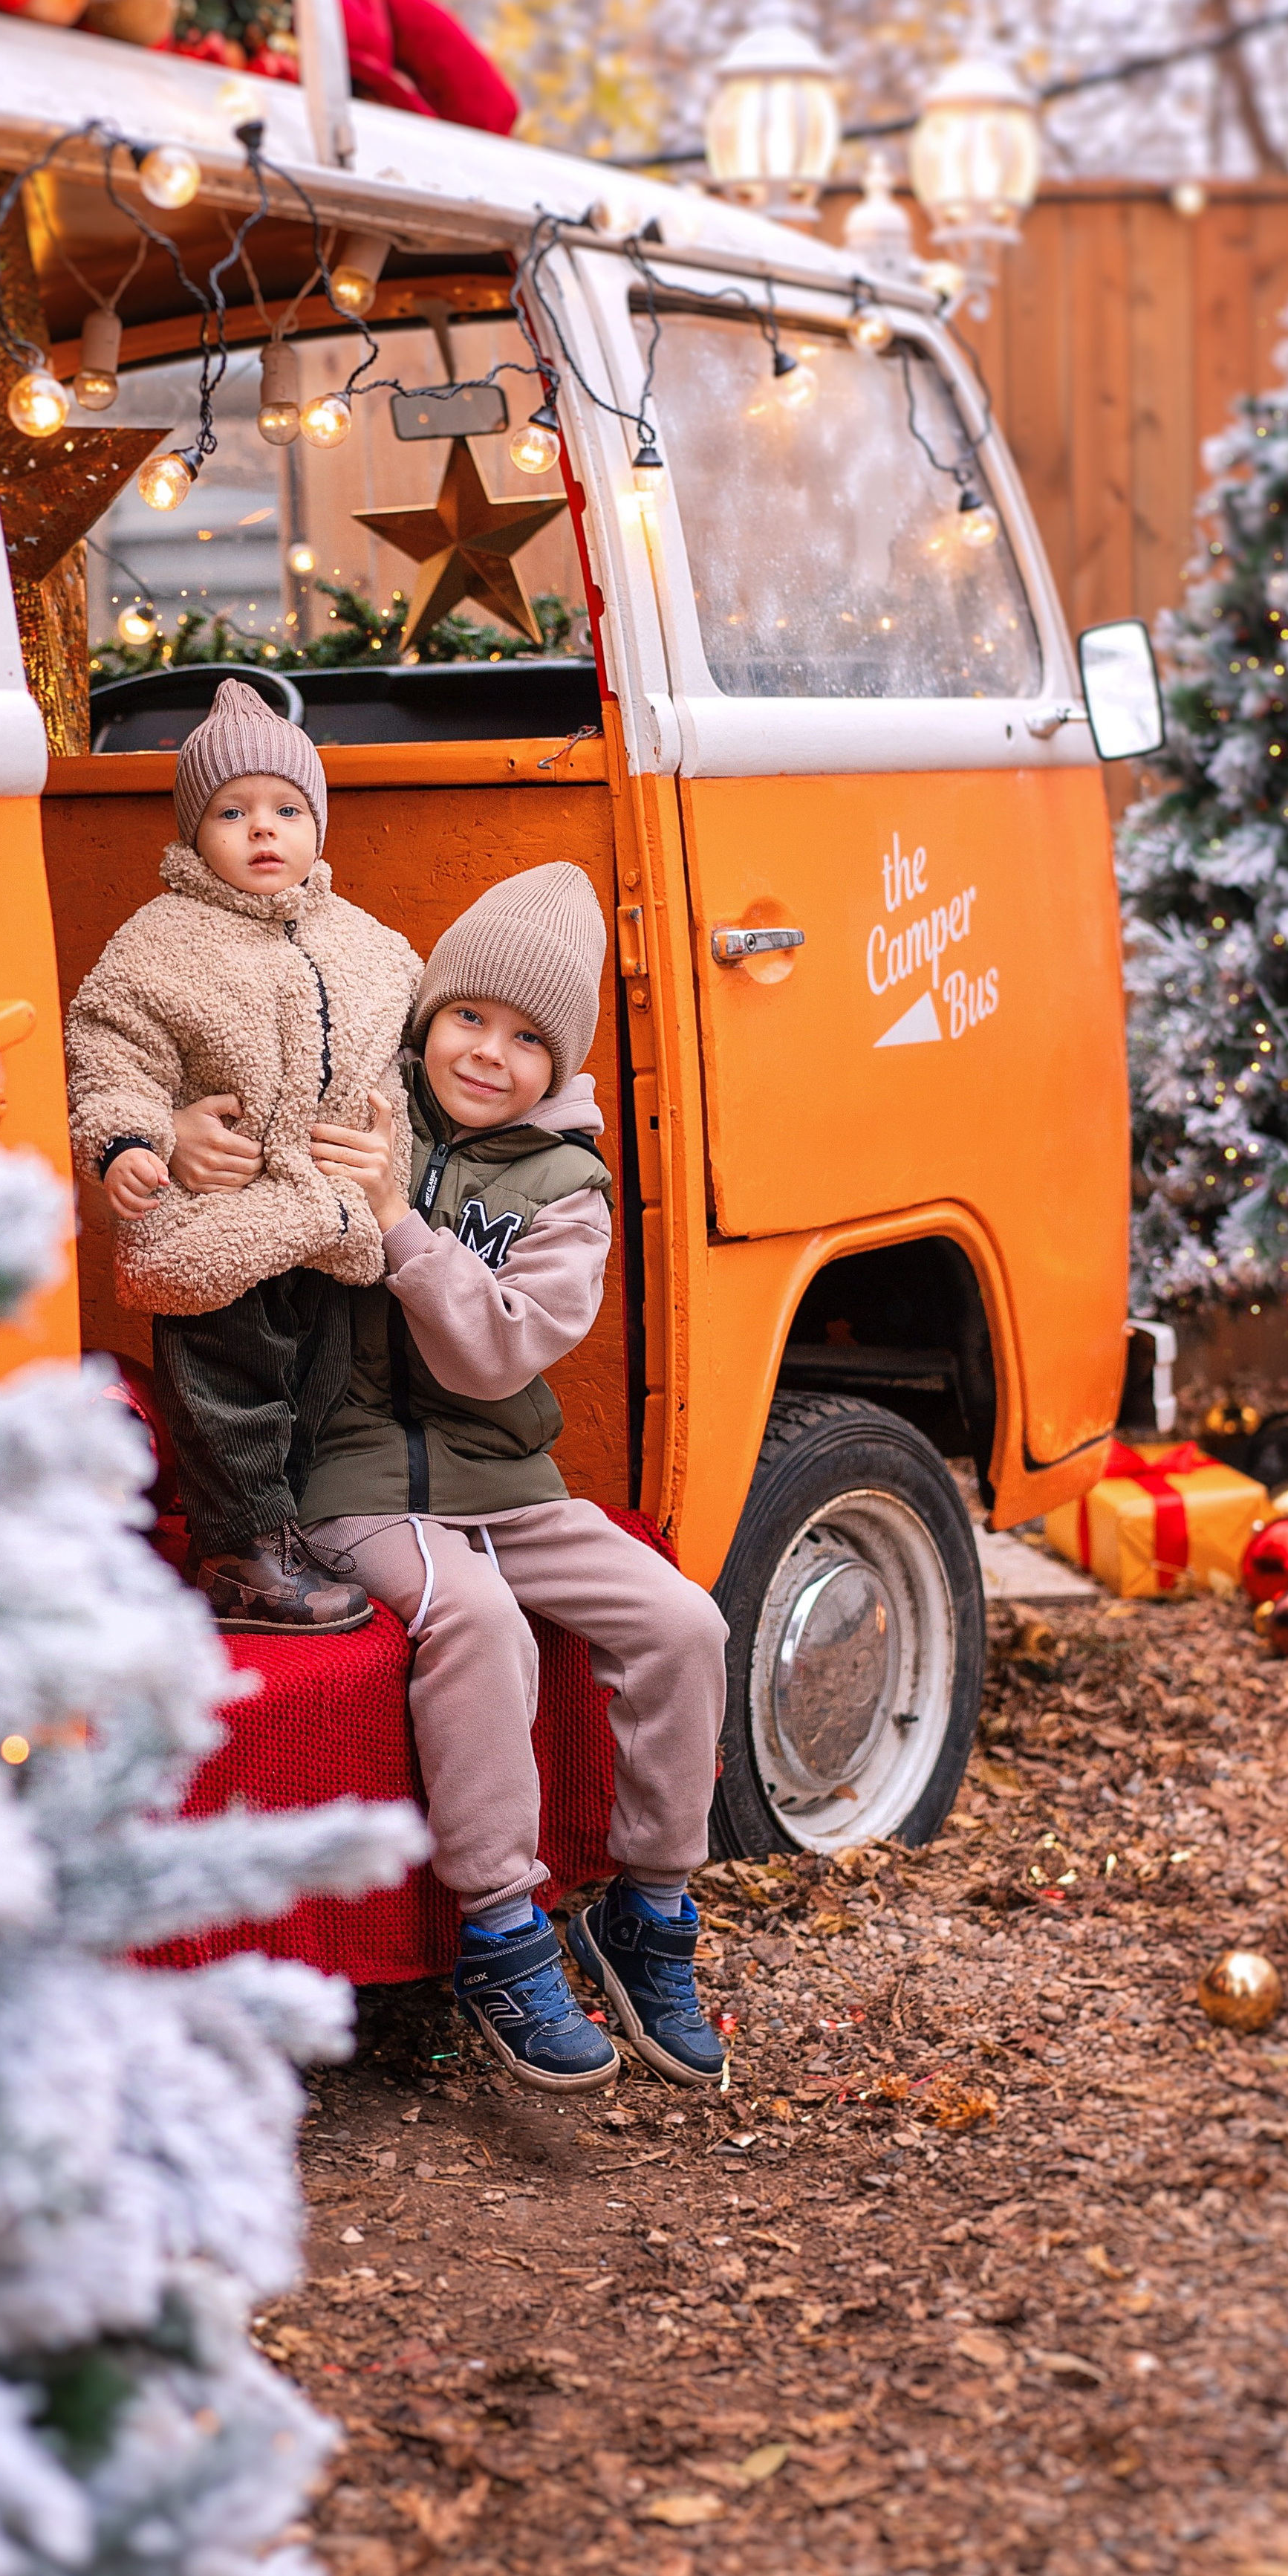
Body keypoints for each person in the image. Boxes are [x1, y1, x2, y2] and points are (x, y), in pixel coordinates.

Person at [302, 859, 729, 2092]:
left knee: (682, 1621)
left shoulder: (568, 1191)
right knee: (480, 1622)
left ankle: (648, 1913)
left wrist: (396, 1222)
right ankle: (502, 1928)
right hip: (359, 1479)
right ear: (429, 1017)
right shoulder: (365, 1104)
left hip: (505, 1475)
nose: (490, 1053)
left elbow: (492, 1355)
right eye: (470, 1018)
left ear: (565, 1063)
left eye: (529, 1038)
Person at [65, 677, 422, 1632]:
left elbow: (400, 1065)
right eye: (232, 812)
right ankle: (236, 1549)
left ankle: (285, 1531)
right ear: (194, 834)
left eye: (286, 809)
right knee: (230, 1389)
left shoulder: (372, 949)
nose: (262, 831)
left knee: (318, 1378)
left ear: (318, 825)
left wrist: (389, 1146)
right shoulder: (158, 946)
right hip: (214, 1221)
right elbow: (110, 1053)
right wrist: (141, 1141)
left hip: (330, 1216)